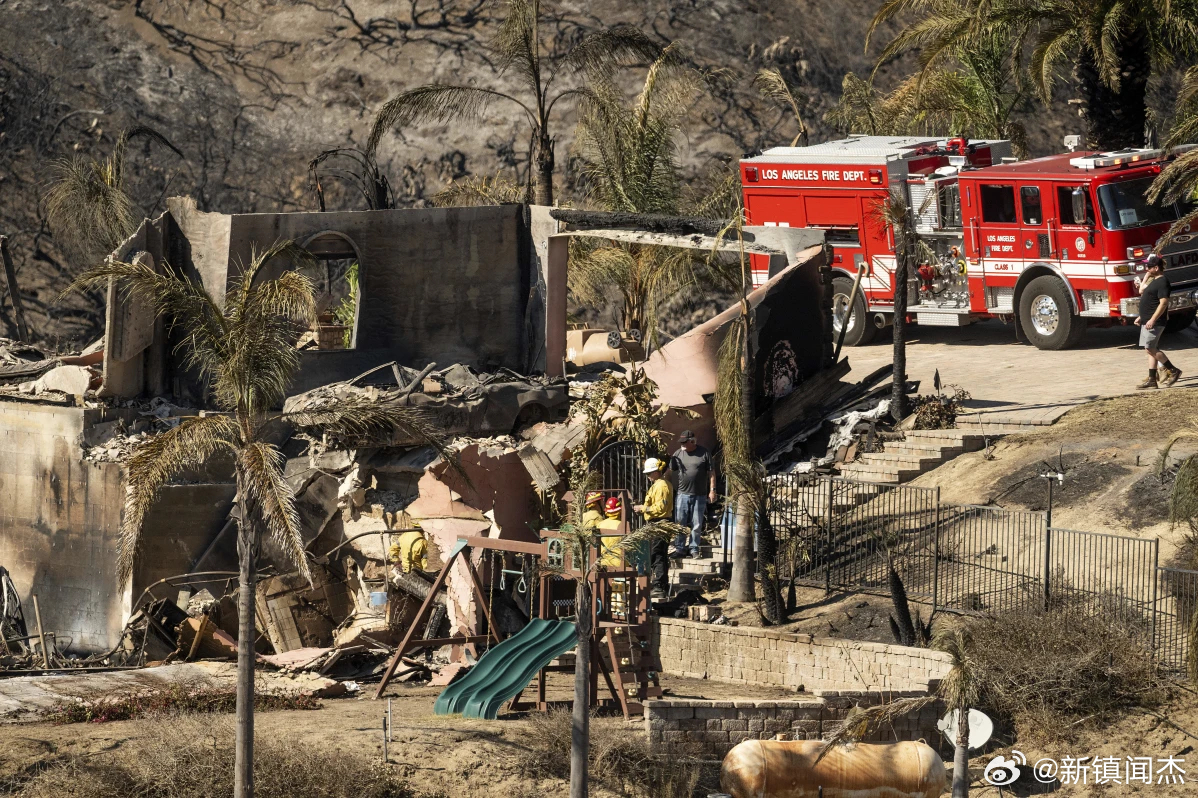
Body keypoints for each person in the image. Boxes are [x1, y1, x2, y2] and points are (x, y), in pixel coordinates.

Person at [1134, 254, 1182, 389]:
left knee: (1151, 348)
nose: (1147, 269)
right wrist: (1141, 317)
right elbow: (1149, 301)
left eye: (1149, 267)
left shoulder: (1162, 282)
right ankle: (1152, 379)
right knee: (1149, 349)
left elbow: (1163, 303)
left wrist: (1152, 319)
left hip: (1155, 322)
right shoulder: (1155, 281)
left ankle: (1173, 370)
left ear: (1156, 267)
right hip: (1147, 320)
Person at [668, 430, 716, 560]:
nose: (682, 444)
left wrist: (712, 490)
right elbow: (670, 471)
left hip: (699, 495)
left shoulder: (704, 453)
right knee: (680, 523)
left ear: (692, 441)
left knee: (696, 524)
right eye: (681, 442)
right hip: (682, 495)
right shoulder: (678, 454)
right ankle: (680, 549)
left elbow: (711, 472)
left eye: (685, 442)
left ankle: (694, 549)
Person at [634, 457, 673, 600]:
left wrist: (643, 508)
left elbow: (661, 508)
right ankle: (658, 584)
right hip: (655, 523)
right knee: (656, 554)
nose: (648, 476)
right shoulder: (657, 485)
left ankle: (659, 586)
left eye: (650, 473)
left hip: (660, 522)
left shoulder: (662, 485)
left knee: (658, 555)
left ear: (657, 471)